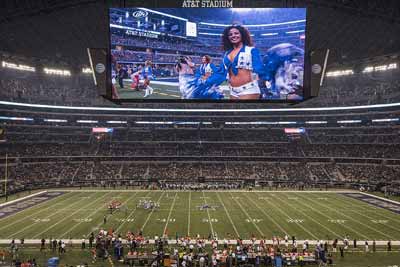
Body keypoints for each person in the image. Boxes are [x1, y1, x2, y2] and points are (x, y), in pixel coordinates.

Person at [199, 24, 266, 100]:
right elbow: (221, 73)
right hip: (232, 91)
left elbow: (259, 69)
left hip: (249, 90)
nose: (233, 36)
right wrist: (206, 82)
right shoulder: (226, 54)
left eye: (236, 33)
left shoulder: (251, 50)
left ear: (242, 35)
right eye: (230, 34)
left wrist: (266, 81)